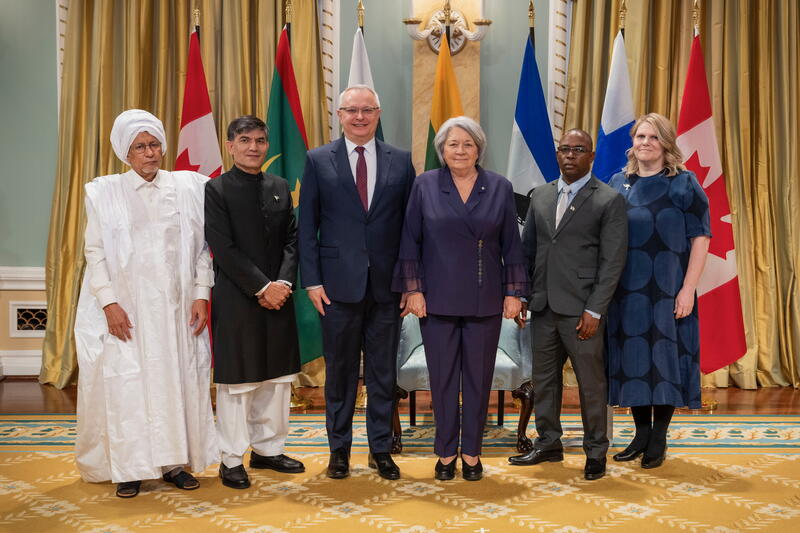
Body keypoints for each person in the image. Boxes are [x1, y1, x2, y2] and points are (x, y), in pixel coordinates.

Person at [74, 109, 218, 498]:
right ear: (126, 152)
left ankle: (174, 463)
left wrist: (201, 295)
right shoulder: (103, 191)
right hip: (128, 311)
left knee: (178, 382)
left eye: (154, 144)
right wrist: (109, 304)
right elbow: (95, 252)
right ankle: (131, 468)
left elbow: (205, 249)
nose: (150, 153)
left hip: (176, 310)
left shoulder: (189, 187)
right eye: (140, 146)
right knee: (129, 386)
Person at [394, 116, 527, 481]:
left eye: (468, 144)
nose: (460, 151)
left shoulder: (499, 187)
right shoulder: (425, 185)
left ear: (478, 148)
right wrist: (413, 289)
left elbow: (512, 246)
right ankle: (445, 452)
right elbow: (410, 241)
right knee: (443, 379)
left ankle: (471, 453)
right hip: (435, 300)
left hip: (486, 300)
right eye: (453, 144)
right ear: (442, 149)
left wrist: (515, 292)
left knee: (477, 380)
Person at [298, 85, 416, 480]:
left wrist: (410, 282)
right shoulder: (317, 160)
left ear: (378, 113)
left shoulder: (401, 161)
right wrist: (312, 281)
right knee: (341, 373)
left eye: (367, 110)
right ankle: (339, 451)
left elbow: (411, 230)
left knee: (384, 374)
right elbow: (307, 226)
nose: (360, 117)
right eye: (352, 110)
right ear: (340, 114)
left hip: (387, 289)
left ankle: (381, 450)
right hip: (335, 288)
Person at [508, 129, 627, 481]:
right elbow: (527, 251)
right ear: (557, 155)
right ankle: (548, 443)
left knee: (590, 384)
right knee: (544, 381)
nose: (570, 155)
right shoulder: (542, 195)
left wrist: (595, 310)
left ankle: (595, 452)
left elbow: (612, 262)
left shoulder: (607, 199)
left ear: (591, 156)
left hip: (582, 312)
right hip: (543, 306)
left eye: (578, 149)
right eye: (564, 149)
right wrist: (524, 295)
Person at [205, 116, 305, 489]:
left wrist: (281, 283)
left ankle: (267, 450)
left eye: (260, 140)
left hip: (280, 297)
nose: (253, 147)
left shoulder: (280, 186)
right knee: (239, 384)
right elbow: (223, 248)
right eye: (245, 140)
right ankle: (231, 458)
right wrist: (262, 288)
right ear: (230, 145)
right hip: (239, 298)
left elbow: (292, 240)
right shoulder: (215, 190)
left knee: (276, 380)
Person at [606, 113, 711, 469]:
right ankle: (639, 434)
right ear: (632, 142)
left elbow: (701, 238)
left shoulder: (685, 183)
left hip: (669, 290)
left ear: (666, 143)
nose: (645, 142)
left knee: (665, 362)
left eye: (653, 136)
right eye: (640, 136)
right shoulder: (619, 182)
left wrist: (688, 289)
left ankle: (659, 437)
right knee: (634, 360)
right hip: (627, 291)